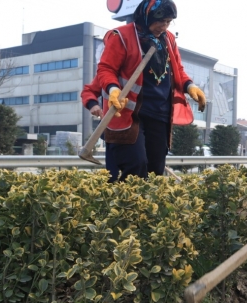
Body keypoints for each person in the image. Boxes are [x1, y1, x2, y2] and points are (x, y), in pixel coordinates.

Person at [96, 0, 206, 181]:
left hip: (160, 113)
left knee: (156, 168)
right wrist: (114, 89)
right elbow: (106, 69)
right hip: (129, 113)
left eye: (168, 22)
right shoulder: (122, 36)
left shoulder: (168, 39)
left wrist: (190, 86)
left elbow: (177, 70)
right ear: (146, 16)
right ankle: (127, 208)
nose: (163, 26)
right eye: (160, 21)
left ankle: (149, 208)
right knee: (134, 165)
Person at [80, 78, 119, 182]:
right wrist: (92, 104)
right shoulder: (109, 73)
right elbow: (88, 91)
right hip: (114, 132)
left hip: (150, 129)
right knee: (114, 177)